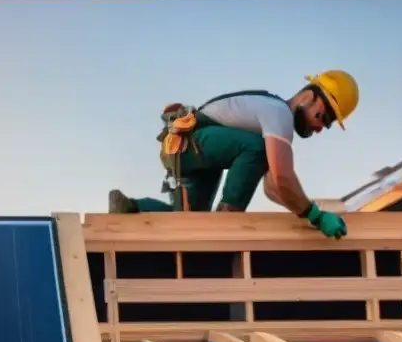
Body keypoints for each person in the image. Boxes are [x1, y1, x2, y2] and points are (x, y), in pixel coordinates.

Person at [107, 70, 358, 239]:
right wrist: (315, 215)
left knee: (191, 225)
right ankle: (229, 217)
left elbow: (273, 187)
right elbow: (282, 177)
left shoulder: (274, 122)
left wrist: (307, 214)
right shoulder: (278, 112)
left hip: (193, 151)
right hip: (191, 142)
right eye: (322, 116)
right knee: (256, 148)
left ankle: (130, 208)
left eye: (327, 125)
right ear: (307, 97)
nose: (320, 127)